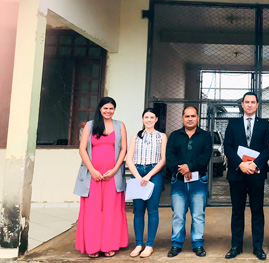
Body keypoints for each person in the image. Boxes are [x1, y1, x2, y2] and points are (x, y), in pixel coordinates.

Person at [74, 96, 128, 258]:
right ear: (100, 109)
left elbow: (124, 149)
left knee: (111, 212)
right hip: (93, 177)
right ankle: (93, 246)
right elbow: (82, 149)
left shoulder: (120, 126)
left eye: (111, 108)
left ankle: (108, 245)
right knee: (93, 212)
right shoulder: (90, 126)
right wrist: (92, 170)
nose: (108, 111)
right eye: (105, 108)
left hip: (112, 176)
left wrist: (114, 170)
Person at [224, 92, 269, 260]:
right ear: (242, 105)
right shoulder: (233, 123)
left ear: (257, 105)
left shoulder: (265, 124)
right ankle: (236, 246)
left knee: (257, 210)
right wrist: (241, 164)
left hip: (256, 174)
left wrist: (255, 164)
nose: (250, 105)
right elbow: (227, 147)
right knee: (237, 211)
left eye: (253, 102)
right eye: (247, 102)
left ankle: (258, 247)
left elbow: (268, 148)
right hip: (237, 174)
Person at [165, 106, 213, 258]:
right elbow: (169, 155)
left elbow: (205, 156)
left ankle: (197, 243)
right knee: (178, 214)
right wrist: (181, 169)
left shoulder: (205, 136)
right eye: (187, 116)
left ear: (198, 118)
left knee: (198, 214)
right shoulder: (174, 136)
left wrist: (189, 167)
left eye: (193, 116)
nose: (190, 119)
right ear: (182, 118)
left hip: (198, 181)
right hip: (178, 181)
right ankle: (176, 244)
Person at [126, 108, 168, 258]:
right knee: (138, 211)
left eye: (152, 117)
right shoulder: (135, 137)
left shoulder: (162, 137)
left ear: (156, 119)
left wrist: (149, 175)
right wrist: (138, 177)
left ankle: (149, 245)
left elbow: (163, 159)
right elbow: (129, 158)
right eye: (146, 117)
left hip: (153, 173)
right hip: (137, 173)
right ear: (142, 119)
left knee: (152, 209)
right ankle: (138, 244)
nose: (149, 120)